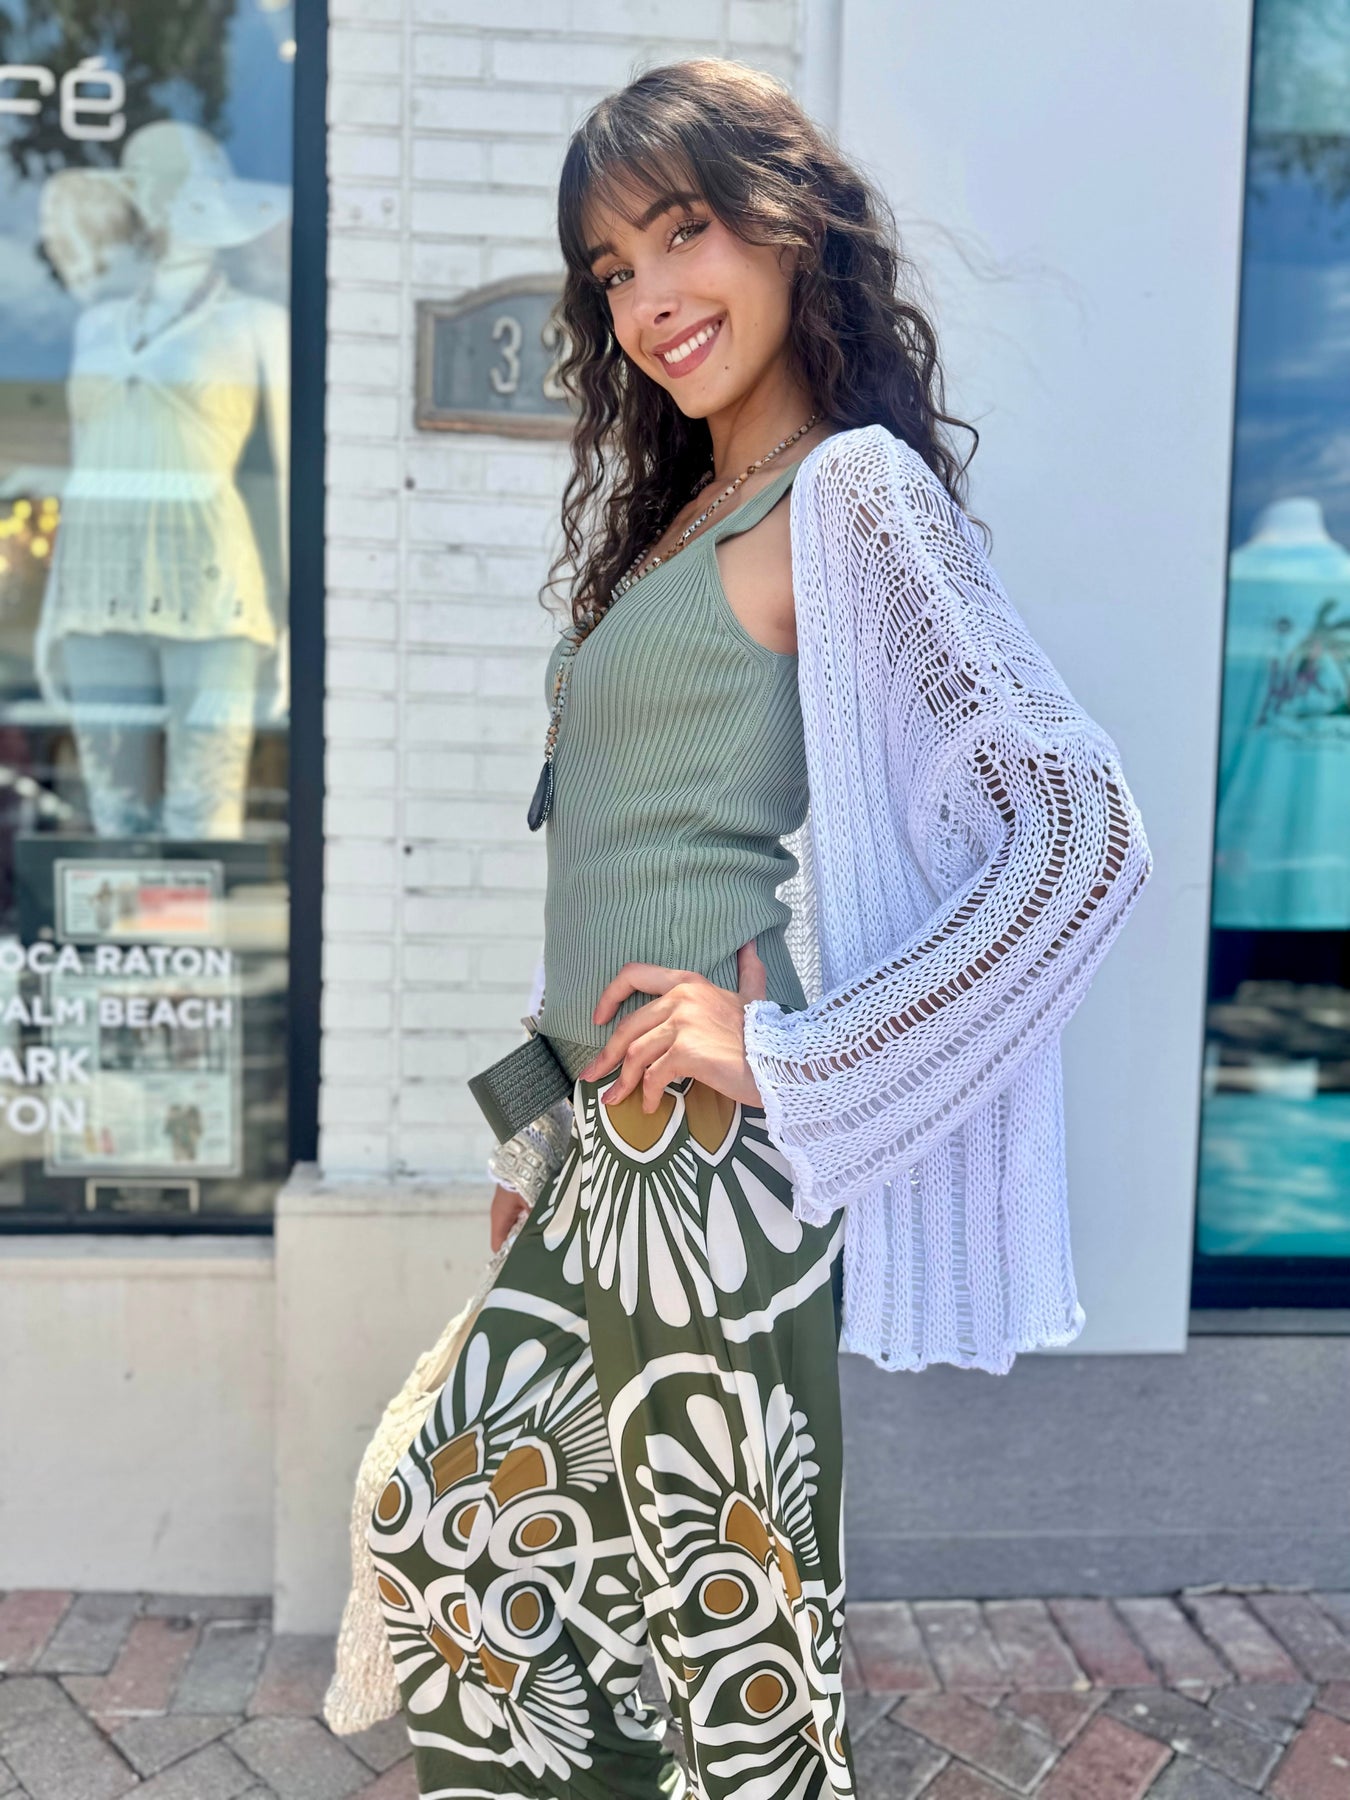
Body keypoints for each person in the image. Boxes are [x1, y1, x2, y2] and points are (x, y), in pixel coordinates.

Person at [364, 58, 1153, 1800]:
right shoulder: (679, 523)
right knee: (455, 1534)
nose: (648, 298)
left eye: (682, 234)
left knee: (736, 1668)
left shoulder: (849, 496)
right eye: (611, 271)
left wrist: (796, 1056)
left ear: (788, 228)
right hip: (603, 1144)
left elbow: (1079, 835)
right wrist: (535, 1130)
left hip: (709, 1167)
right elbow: (616, 861)